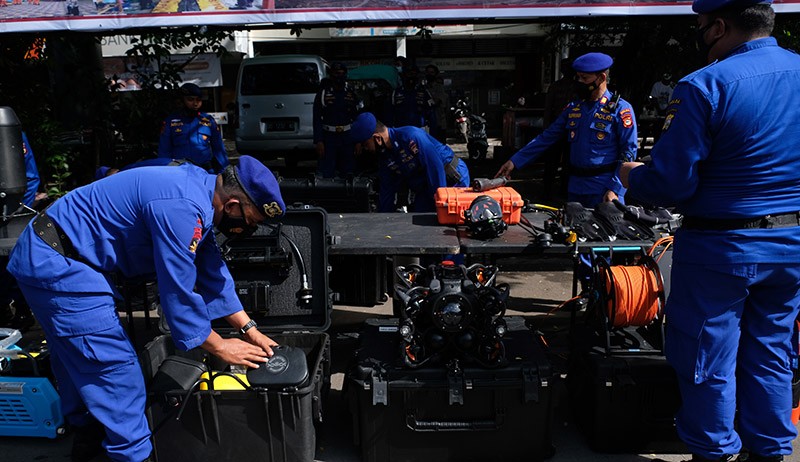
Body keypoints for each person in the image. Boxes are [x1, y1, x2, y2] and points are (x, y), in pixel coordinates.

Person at [6, 156, 285, 462]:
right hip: (60, 265)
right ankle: (131, 455)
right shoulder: (181, 207)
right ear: (232, 205)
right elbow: (177, 290)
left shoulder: (197, 188)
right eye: (251, 220)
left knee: (75, 359)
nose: (248, 228)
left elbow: (211, 269)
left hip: (54, 253)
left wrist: (249, 329)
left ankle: (88, 440)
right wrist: (219, 346)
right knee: (116, 373)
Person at [619, 0, 800, 460]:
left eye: (701, 29)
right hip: (791, 244)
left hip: (722, 247)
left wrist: (631, 175)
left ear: (719, 26)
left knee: (706, 357)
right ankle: (771, 452)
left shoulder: (706, 84)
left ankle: (714, 453)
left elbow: (671, 183)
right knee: (772, 353)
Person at [495, 52, 638, 208]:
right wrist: (514, 161)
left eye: (585, 78)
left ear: (602, 78)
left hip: (604, 189)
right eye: (578, 77)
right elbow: (546, 138)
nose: (579, 82)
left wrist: (615, 189)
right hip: (576, 188)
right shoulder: (574, 109)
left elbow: (628, 153)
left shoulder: (620, 110)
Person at [348, 112, 469, 213]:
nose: (365, 149)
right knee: (419, 219)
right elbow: (387, 188)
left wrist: (440, 205)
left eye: (365, 144)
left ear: (377, 138)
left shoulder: (411, 137)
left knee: (446, 222)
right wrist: (383, 220)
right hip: (428, 186)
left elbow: (435, 168)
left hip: (451, 178)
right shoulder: (385, 156)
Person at [0, 131, 40, 330]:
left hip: (11, 209)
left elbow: (30, 177)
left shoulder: (10, 133)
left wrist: (17, 208)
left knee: (13, 260)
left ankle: (22, 309)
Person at [157, 83, 229, 174]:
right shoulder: (170, 122)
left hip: (205, 172)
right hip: (180, 172)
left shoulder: (208, 120)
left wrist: (225, 171)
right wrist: (165, 172)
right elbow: (164, 150)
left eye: (198, 100)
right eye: (190, 100)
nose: (195, 104)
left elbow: (219, 148)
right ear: (182, 101)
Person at [312, 61, 364, 178]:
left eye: (341, 73)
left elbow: (357, 117)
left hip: (347, 137)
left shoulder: (351, 93)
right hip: (328, 138)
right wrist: (319, 141)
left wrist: (358, 141)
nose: (339, 76)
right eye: (336, 73)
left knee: (349, 171)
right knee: (327, 172)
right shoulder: (323, 94)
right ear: (331, 75)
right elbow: (317, 118)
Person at [542, 58, 576, 200]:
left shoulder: (577, 87)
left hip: (571, 130)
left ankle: (559, 191)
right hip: (558, 129)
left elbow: (548, 110)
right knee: (554, 163)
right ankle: (548, 191)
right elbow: (548, 109)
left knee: (567, 163)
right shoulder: (557, 87)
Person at [390, 66, 436, 131]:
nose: (411, 77)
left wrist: (432, 133)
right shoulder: (396, 93)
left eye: (414, 74)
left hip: (419, 130)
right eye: (409, 74)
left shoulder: (424, 92)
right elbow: (390, 114)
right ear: (404, 76)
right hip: (401, 130)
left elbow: (431, 114)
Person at [424, 64, 449, 144]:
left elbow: (437, 102)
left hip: (439, 123)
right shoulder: (422, 88)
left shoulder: (440, 88)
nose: (430, 74)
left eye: (432, 72)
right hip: (426, 124)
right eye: (428, 72)